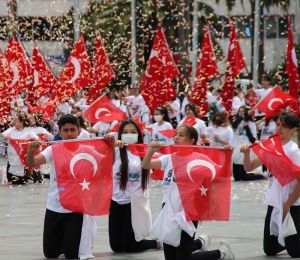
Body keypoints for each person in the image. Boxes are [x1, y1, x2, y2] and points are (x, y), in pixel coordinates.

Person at [142, 124, 235, 260]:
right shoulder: (169, 158)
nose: (176, 137)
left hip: (188, 212)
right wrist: (151, 151)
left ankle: (220, 253)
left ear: (191, 140)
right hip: (168, 210)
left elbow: (221, 174)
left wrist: (227, 156)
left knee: (183, 257)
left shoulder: (199, 158)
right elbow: (146, 165)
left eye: (181, 135)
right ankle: (202, 243)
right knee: (171, 256)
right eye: (176, 134)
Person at [26, 114, 95, 259]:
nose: (69, 133)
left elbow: (107, 162)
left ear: (79, 131)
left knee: (71, 254)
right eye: (66, 130)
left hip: (75, 209)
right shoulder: (53, 149)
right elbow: (33, 163)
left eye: (72, 130)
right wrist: (31, 151)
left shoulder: (87, 149)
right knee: (50, 254)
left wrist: (111, 144)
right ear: (60, 132)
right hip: (54, 207)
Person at [240, 112, 300, 257]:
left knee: (295, 252)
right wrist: (246, 154)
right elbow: (249, 167)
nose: (279, 129)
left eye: (284, 126)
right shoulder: (271, 146)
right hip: (275, 201)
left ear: (294, 130)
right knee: (270, 250)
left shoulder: (294, 151)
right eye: (278, 125)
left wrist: (287, 205)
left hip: (292, 203)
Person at [109, 119, 160, 253]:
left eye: (133, 132)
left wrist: (152, 150)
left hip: (134, 202)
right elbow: (104, 156)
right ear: (119, 135)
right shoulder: (115, 150)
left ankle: (156, 243)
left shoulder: (145, 152)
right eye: (125, 132)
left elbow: (152, 165)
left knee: (131, 247)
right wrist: (109, 143)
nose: (129, 134)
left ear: (139, 134)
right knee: (116, 247)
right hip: (115, 201)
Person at [1, 113, 38, 185]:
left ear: (22, 122)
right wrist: (5, 136)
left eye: (16, 121)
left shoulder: (28, 131)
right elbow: (2, 135)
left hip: (22, 160)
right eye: (13, 121)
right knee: (10, 181)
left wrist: (34, 139)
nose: (13, 123)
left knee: (21, 182)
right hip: (11, 159)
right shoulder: (11, 130)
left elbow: (37, 138)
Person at [231, 106, 264, 181]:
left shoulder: (251, 124)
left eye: (243, 112)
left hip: (245, 148)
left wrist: (246, 127)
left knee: (243, 177)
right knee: (236, 177)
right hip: (236, 148)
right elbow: (233, 126)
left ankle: (259, 176)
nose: (241, 113)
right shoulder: (236, 121)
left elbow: (253, 140)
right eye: (240, 111)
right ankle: (255, 174)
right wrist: (241, 118)